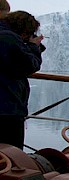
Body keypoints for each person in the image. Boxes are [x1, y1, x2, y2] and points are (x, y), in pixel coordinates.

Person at [0, 11, 44, 149]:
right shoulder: (9, 39)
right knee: (11, 156)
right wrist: (33, 47)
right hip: (7, 110)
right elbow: (29, 65)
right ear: (24, 32)